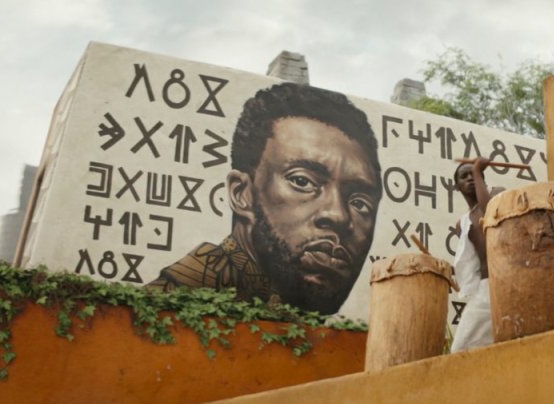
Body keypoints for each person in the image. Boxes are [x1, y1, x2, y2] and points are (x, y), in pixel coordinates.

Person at [149, 83, 383, 316]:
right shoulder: (162, 312)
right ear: (241, 194)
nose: (339, 215)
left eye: (360, 203)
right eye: (302, 181)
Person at [450, 158, 503, 352]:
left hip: (508, 279)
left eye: (473, 174)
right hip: (485, 288)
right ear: (457, 187)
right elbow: (472, 261)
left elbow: (490, 214)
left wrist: (478, 172)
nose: (470, 178)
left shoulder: (497, 194)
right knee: (461, 348)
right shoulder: (462, 224)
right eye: (464, 176)